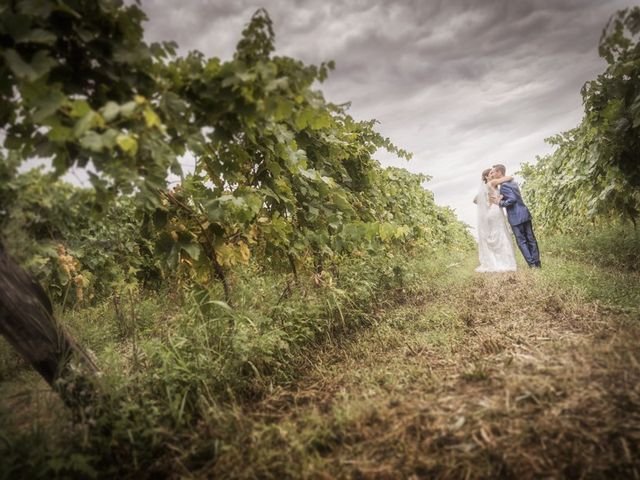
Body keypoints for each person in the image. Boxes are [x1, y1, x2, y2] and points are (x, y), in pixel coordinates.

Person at [489, 164, 541, 268]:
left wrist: (500, 202)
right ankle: (537, 263)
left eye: (494, 172)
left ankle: (532, 264)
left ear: (499, 172)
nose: (493, 174)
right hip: (524, 213)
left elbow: (512, 199)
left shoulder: (503, 186)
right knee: (531, 239)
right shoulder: (513, 183)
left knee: (521, 241)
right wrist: (502, 199)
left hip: (515, 217)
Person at [474, 168, 517, 272]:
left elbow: (475, 200)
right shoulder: (492, 182)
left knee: (493, 235)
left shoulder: (485, 187)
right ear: (486, 177)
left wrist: (487, 202)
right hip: (495, 211)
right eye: (490, 173)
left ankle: (494, 261)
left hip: (489, 212)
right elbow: (509, 177)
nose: (492, 174)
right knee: (500, 234)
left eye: (493, 172)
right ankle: (505, 262)